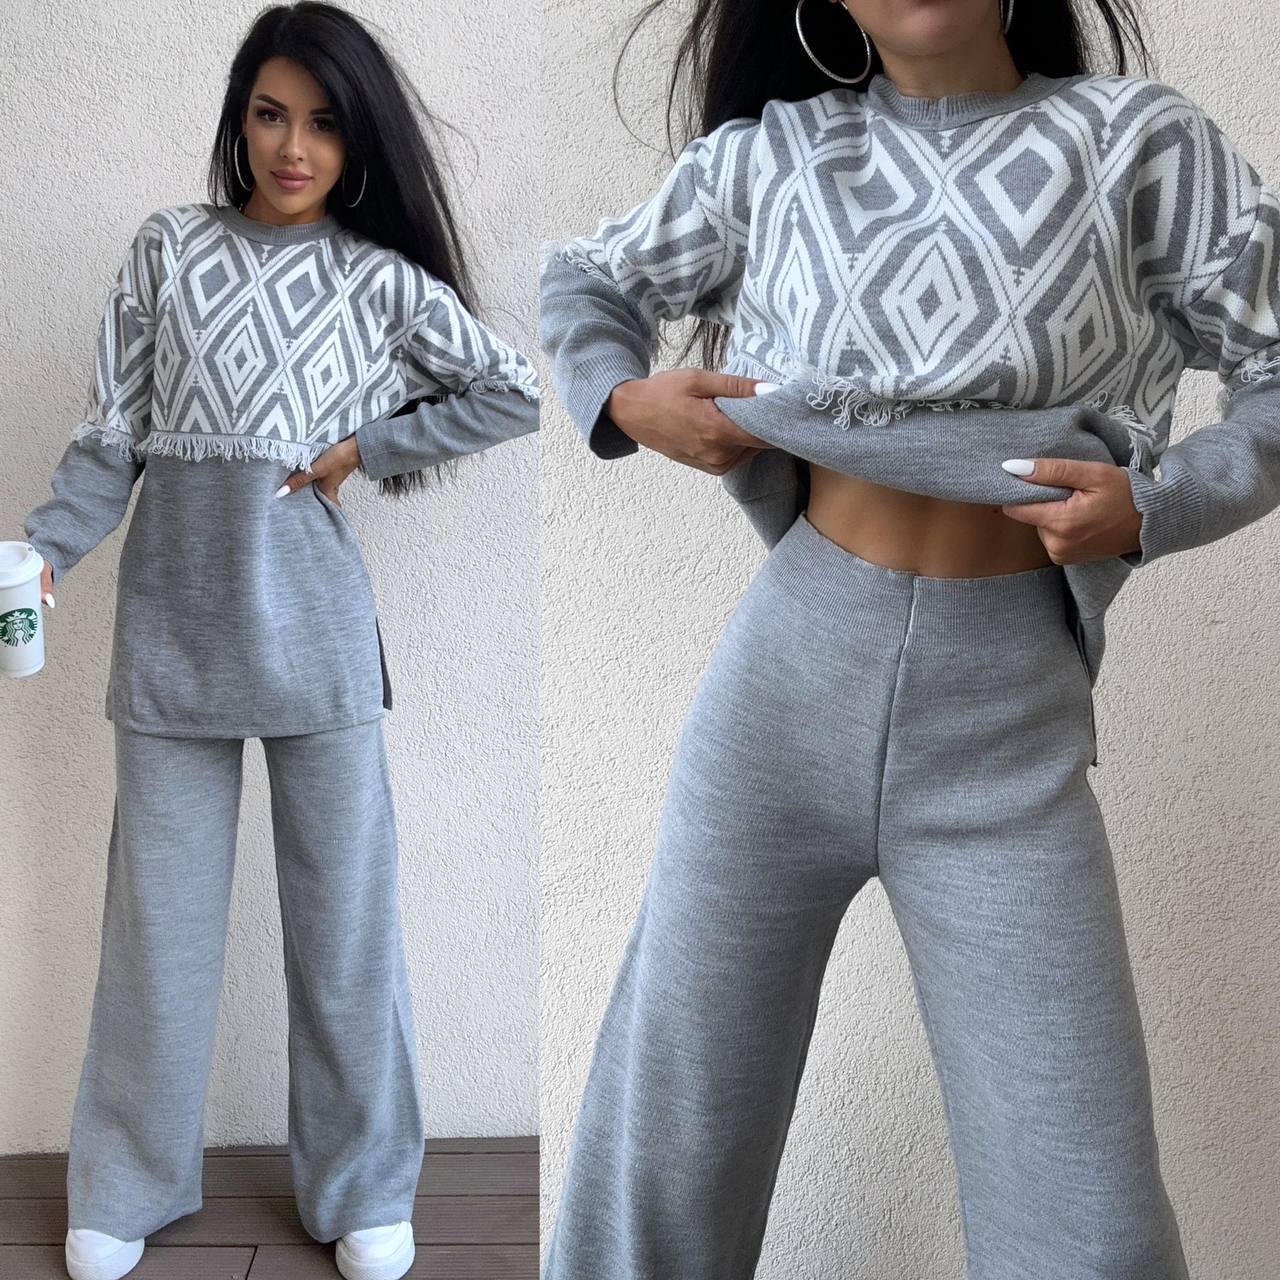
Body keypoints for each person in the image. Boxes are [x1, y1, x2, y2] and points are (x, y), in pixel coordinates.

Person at [538, 0, 1280, 1275]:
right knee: (663, 1145)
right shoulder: (770, 154)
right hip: (780, 690)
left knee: (1085, 1216)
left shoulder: (1135, 142)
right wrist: (620, 398)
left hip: (1006, 727)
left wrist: (1156, 502)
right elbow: (587, 277)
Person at [17, 5, 539, 1280]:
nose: (291, 144)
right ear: (237, 118)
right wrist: (40, 553)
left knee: (347, 932)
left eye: (319, 120)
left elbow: (510, 390)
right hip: (169, 647)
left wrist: (372, 446)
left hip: (316, 651)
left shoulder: (376, 277)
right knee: (156, 935)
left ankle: (362, 1183)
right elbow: (108, 437)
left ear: (355, 140)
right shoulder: (167, 251)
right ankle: (128, 1182)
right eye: (269, 112)